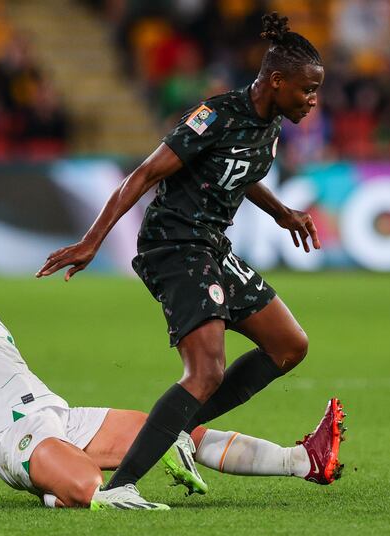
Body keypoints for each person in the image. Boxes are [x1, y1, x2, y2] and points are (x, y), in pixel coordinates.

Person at [36, 12, 346, 506]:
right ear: (276, 80)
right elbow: (141, 176)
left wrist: (282, 212)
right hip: (173, 245)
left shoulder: (269, 123)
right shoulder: (215, 115)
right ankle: (118, 489)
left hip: (211, 245)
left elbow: (239, 172)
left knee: (288, 345)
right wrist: (92, 241)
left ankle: (180, 427)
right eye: (307, 90)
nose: (313, 101)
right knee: (205, 373)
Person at [0, 209, 346, 510]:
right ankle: (59, 492)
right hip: (13, 437)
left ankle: (302, 460)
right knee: (86, 488)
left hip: (57, 415)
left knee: (170, 431)